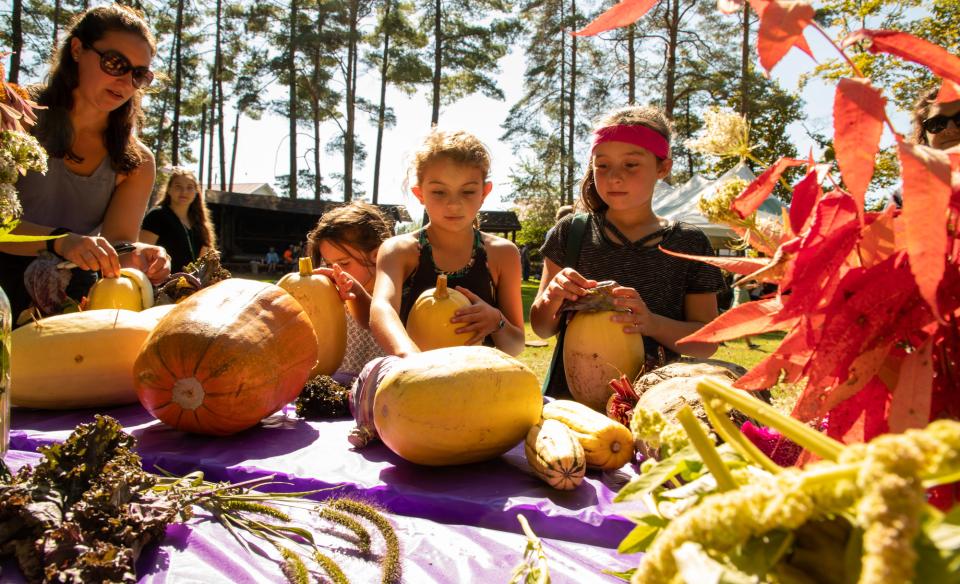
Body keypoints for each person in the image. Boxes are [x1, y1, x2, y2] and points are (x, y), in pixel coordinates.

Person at [530, 105, 724, 396]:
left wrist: (651, 323)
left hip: (656, 406)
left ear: (663, 168)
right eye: (602, 165)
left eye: (631, 165)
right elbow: (542, 328)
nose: (614, 177)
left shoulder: (689, 243)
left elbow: (706, 343)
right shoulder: (571, 232)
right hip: (570, 405)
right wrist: (552, 296)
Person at [0, 5, 169, 319]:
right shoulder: (13, 119)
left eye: (138, 74)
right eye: (115, 63)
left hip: (68, 311)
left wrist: (142, 254)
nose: (125, 82)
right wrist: (59, 242)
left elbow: (118, 247)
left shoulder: (137, 162)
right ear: (77, 49)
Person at [370, 129, 525, 357]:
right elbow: (382, 309)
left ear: (485, 192)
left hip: (481, 384)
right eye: (439, 192)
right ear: (419, 193)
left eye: (468, 191)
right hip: (414, 384)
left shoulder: (503, 254)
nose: (453, 204)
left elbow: (516, 346)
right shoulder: (399, 251)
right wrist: (411, 359)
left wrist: (496, 321)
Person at [306, 201, 392, 384]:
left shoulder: (397, 291)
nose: (336, 271)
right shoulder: (328, 294)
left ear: (377, 255)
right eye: (329, 264)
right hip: (334, 389)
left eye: (344, 263)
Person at [139, 167, 215, 272]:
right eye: (178, 186)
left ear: (196, 192)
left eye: (189, 187)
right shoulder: (157, 216)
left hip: (192, 285)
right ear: (169, 189)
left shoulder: (199, 222)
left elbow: (204, 261)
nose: (184, 191)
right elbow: (141, 255)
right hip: (160, 285)